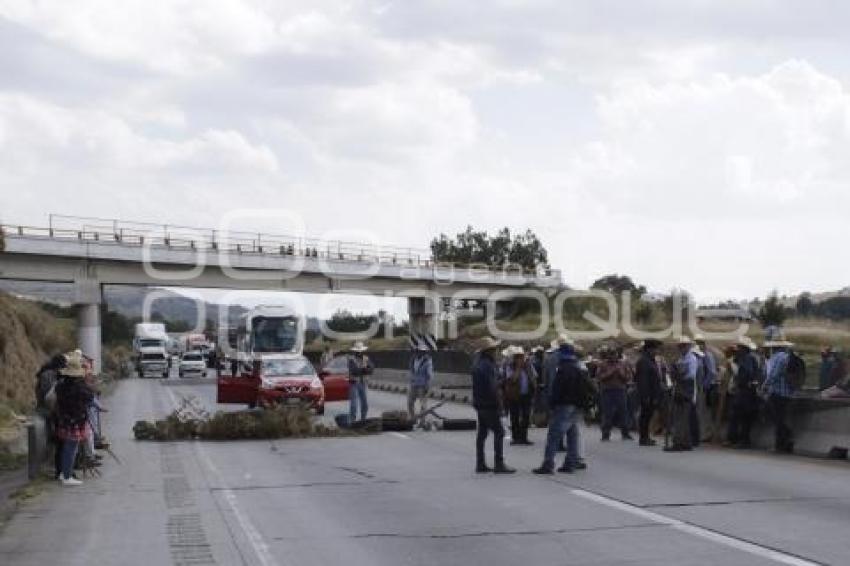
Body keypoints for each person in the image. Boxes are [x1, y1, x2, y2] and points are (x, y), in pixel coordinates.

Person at [534, 335, 589, 474]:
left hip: (563, 404)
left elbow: (555, 387)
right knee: (572, 433)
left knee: (553, 435)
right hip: (576, 404)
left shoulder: (560, 367)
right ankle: (571, 462)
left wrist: (551, 403)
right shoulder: (579, 366)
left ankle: (548, 463)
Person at [472, 337, 515, 474]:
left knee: (482, 434)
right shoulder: (489, 366)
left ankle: (480, 463)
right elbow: (493, 388)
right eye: (495, 349)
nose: (497, 351)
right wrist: (500, 403)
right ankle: (499, 463)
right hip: (489, 404)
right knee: (499, 432)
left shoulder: (477, 364)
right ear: (490, 351)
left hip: (479, 403)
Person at [54, 351, 94, 486]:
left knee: (66, 447)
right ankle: (67, 476)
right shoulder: (79, 387)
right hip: (75, 421)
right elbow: (90, 396)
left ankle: (63, 473)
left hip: (64, 419)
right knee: (71, 448)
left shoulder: (61, 386)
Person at [35, 353, 68, 480]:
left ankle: (53, 465)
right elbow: (48, 397)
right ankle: (51, 465)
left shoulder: (49, 374)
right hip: (46, 410)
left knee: (55, 438)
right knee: (54, 438)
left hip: (49, 409)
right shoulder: (47, 376)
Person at [726, 337, 760, 448]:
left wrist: (740, 381)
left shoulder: (747, 359)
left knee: (743, 416)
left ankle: (742, 440)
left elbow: (746, 374)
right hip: (745, 390)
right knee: (739, 415)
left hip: (746, 391)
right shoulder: (746, 358)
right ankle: (738, 439)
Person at [665, 336, 698, 452]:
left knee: (681, 418)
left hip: (686, 389)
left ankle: (678, 442)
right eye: (680, 346)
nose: (682, 348)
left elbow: (691, 376)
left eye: (684, 346)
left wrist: (679, 374)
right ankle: (686, 442)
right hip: (679, 388)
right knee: (681, 417)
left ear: (688, 346)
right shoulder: (681, 359)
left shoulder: (691, 359)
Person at [762, 340, 795, 453]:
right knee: (781, 418)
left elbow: (773, 374)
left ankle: (780, 444)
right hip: (788, 392)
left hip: (777, 392)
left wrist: (765, 386)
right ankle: (786, 442)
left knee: (778, 420)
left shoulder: (776, 357)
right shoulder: (788, 357)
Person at [596, 345, 633, 441]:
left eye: (614, 354)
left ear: (617, 354)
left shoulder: (623, 364)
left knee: (623, 412)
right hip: (607, 391)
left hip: (620, 390)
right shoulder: (602, 364)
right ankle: (605, 434)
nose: (613, 356)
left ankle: (625, 433)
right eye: (611, 354)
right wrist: (610, 373)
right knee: (607, 413)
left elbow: (629, 377)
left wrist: (621, 374)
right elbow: (599, 377)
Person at [502, 346, 537, 445]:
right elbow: (512, 379)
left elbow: (534, 377)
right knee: (515, 417)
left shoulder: (528, 366)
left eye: (521, 357)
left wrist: (534, 388)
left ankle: (523, 437)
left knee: (526, 416)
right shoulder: (510, 366)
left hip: (526, 395)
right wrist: (518, 368)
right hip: (514, 395)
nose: (520, 359)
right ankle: (515, 437)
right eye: (518, 357)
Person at [634, 339, 663, 446]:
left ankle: (646, 436)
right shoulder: (644, 361)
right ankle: (643, 437)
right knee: (645, 416)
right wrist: (646, 396)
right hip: (648, 394)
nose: (657, 351)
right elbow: (643, 380)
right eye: (656, 349)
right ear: (650, 349)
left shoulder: (650, 360)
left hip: (652, 393)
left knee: (648, 415)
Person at [694, 335, 719, 443]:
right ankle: (701, 433)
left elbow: (712, 372)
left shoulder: (707, 356)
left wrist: (704, 386)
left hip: (705, 388)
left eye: (700, 342)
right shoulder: (699, 356)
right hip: (699, 387)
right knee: (700, 412)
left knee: (703, 412)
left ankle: (705, 434)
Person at [347, 341, 373, 422]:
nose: (359, 353)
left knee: (365, 404)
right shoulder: (351, 360)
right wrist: (364, 369)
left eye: (361, 351)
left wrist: (365, 369)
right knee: (354, 404)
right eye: (358, 351)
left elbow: (371, 368)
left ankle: (363, 419)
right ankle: (352, 420)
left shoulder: (366, 358)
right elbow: (354, 371)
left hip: (363, 383)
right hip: (354, 383)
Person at [408, 343, 433, 424]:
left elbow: (429, 374)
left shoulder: (427, 360)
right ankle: (413, 418)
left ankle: (422, 421)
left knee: (423, 404)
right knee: (410, 402)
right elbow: (411, 371)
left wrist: (428, 386)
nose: (420, 353)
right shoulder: (413, 359)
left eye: (422, 351)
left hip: (422, 385)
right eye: (419, 351)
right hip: (414, 384)